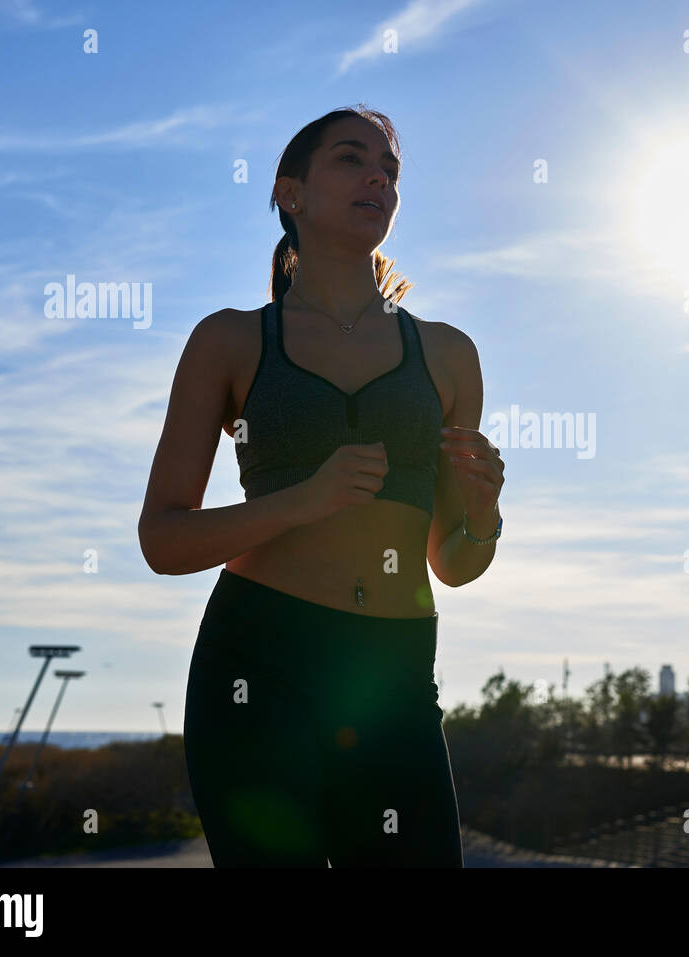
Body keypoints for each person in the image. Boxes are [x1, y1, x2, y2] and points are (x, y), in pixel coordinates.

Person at [137, 105, 505, 867]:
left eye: (390, 169)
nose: (378, 175)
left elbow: (452, 563)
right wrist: (302, 499)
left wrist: (485, 514)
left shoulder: (448, 354)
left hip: (394, 673)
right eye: (350, 158)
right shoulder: (230, 339)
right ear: (290, 194)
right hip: (258, 667)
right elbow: (163, 538)